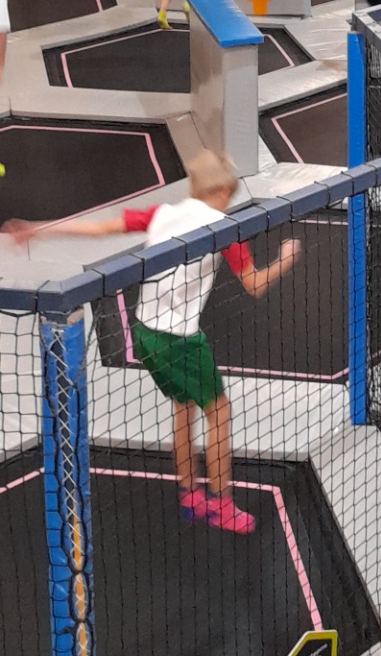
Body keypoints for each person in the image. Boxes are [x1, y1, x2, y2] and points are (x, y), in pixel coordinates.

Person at [3, 150, 300, 533]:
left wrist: (37, 230)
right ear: (222, 190)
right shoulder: (226, 230)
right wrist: (285, 258)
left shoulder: (162, 214)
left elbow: (100, 228)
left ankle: (190, 495)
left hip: (143, 335)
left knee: (183, 406)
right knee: (219, 413)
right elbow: (254, 284)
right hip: (180, 341)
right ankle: (222, 505)